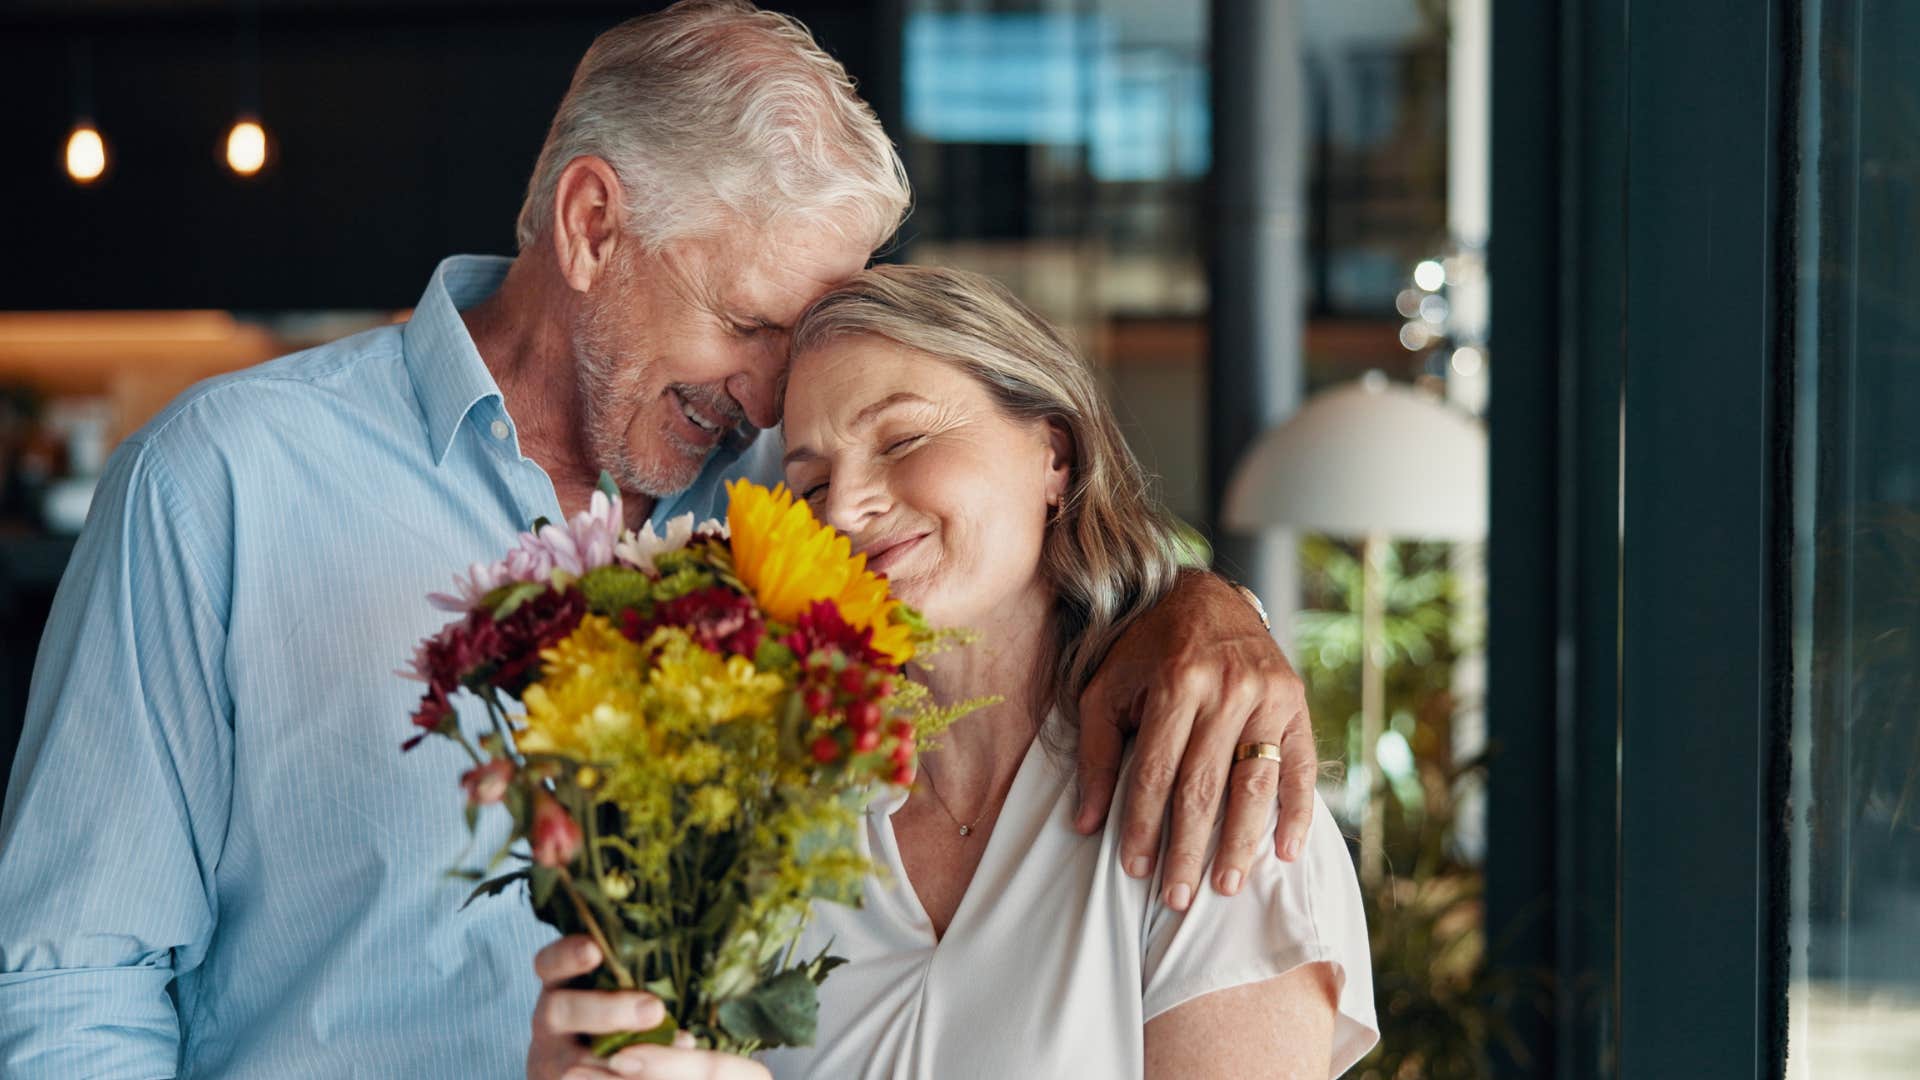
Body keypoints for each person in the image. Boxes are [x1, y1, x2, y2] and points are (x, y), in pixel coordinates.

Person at [0, 3, 1321, 1076]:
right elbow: (73, 979)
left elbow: (1004, 557)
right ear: (592, 225)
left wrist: (1198, 605)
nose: (776, 399)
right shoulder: (225, 482)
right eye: (750, 324)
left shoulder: (786, 510)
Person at [527, 266, 1379, 1080]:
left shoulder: (1208, 783)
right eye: (811, 484)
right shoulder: (761, 805)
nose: (847, 505)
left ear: (1054, 455)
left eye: (904, 439)